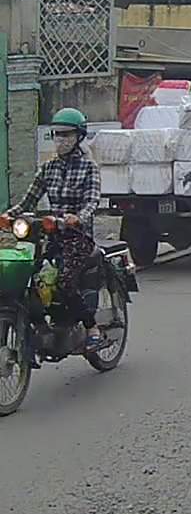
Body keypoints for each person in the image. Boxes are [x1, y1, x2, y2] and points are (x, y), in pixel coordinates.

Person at [2, 108, 103, 348]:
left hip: (77, 237)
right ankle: (39, 324)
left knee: (65, 282)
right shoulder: (48, 167)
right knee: (29, 275)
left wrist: (77, 218)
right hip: (50, 234)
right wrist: (8, 215)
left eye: (67, 134)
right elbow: (28, 201)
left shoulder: (89, 168)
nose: (61, 139)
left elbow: (92, 202)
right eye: (57, 134)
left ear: (79, 137)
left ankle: (92, 327)